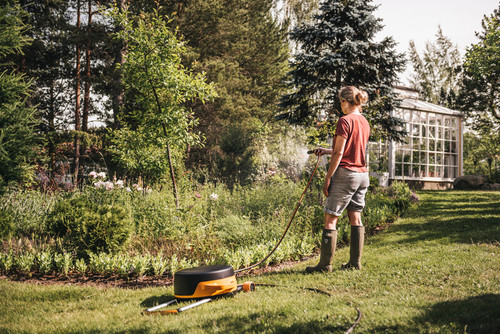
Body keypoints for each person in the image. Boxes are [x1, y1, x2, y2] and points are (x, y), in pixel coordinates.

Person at [306, 86, 371, 273]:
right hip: (362, 175)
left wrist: (328, 178)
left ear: (345, 101)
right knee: (355, 217)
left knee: (330, 218)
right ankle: (355, 263)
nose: (340, 106)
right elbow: (352, 149)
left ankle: (324, 265)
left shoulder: (344, 121)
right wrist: (327, 151)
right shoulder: (364, 122)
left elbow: (340, 152)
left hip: (345, 175)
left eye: (340, 102)